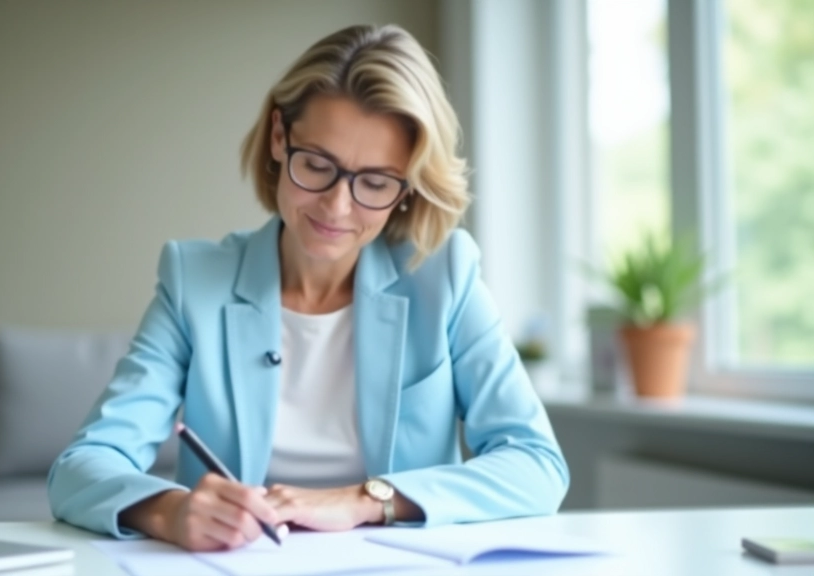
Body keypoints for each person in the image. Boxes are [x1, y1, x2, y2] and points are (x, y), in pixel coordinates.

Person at [47, 23, 568, 551]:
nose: (337, 208)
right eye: (317, 165)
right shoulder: (195, 281)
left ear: (407, 187)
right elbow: (81, 468)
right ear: (279, 137)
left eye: (375, 182)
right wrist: (169, 510)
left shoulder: (446, 275)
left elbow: (537, 464)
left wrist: (364, 499)